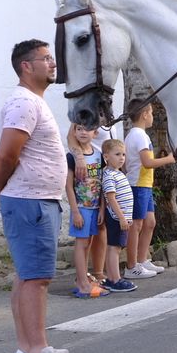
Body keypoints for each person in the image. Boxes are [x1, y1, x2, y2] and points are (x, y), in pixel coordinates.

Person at [0, 40, 73, 353]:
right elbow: (7, 154)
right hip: (30, 201)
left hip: (34, 200)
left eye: (52, 58)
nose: (53, 63)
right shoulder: (23, 102)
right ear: (26, 67)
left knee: (26, 275)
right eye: (46, 59)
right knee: (36, 280)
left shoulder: (31, 102)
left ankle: (27, 346)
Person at [122, 100, 173, 279]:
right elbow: (147, 162)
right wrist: (170, 159)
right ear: (145, 114)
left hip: (144, 185)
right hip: (137, 185)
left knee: (149, 223)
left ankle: (142, 260)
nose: (152, 116)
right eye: (150, 113)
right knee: (136, 225)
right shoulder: (139, 135)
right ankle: (131, 266)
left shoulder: (136, 135)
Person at [65, 122, 111, 299]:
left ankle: (84, 278)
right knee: (81, 243)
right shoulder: (72, 157)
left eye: (87, 129)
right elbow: (68, 186)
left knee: (89, 242)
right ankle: (82, 282)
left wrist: (101, 208)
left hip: (94, 208)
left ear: (95, 132)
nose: (83, 132)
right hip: (81, 208)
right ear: (74, 132)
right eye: (79, 129)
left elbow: (100, 184)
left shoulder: (98, 156)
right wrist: (75, 211)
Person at [97, 139, 137, 293]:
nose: (122, 158)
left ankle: (112, 278)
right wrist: (121, 217)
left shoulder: (118, 173)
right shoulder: (109, 175)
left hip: (122, 217)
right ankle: (115, 279)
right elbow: (111, 198)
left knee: (115, 247)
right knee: (115, 248)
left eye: (124, 154)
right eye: (117, 154)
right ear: (106, 157)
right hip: (116, 218)